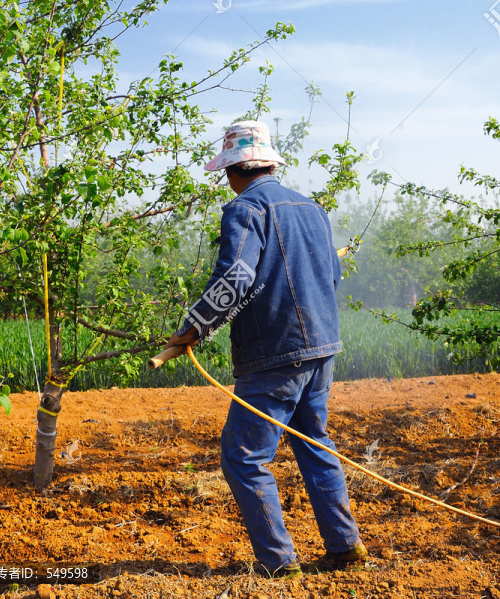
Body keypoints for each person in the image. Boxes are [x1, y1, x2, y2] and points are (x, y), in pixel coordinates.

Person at [164, 121, 366, 579]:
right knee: (315, 443)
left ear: (234, 171)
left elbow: (236, 278)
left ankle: (279, 564)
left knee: (244, 457)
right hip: (321, 350)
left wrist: (193, 327)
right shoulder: (313, 208)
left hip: (275, 353)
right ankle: (344, 547)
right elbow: (331, 275)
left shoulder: (244, 209)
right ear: (272, 164)